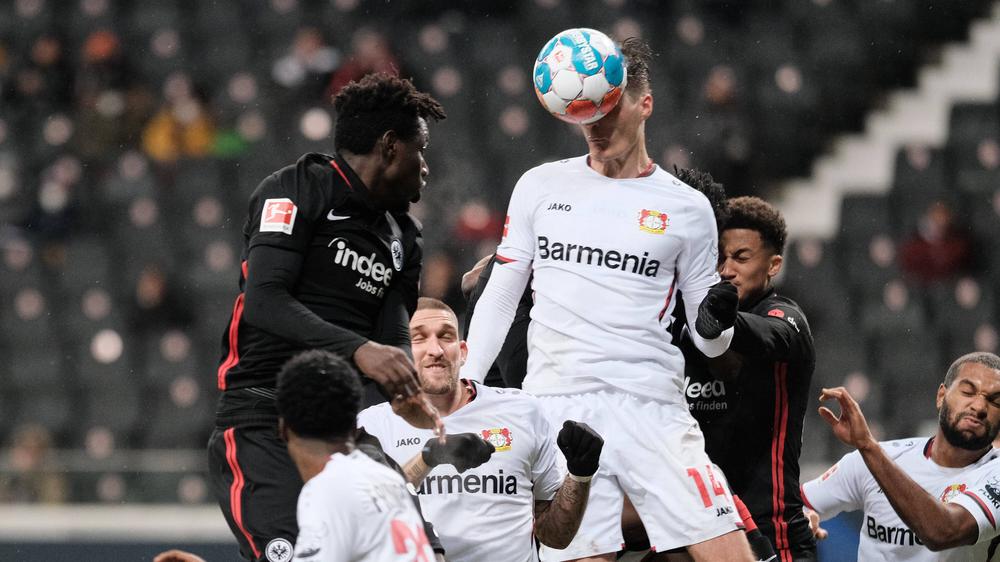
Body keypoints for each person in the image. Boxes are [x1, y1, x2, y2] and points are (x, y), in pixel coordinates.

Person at [463, 35, 752, 561]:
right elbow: (501, 293)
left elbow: (711, 346)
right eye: (584, 113)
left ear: (644, 104)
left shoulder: (687, 209)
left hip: (653, 408)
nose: (595, 125)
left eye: (608, 108)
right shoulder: (540, 187)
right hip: (558, 408)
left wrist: (714, 323)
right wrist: (469, 383)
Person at [207, 73, 446, 562]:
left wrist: (404, 385)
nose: (426, 168)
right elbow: (265, 301)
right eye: (421, 150)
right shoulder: (296, 189)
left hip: (346, 431)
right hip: (264, 420)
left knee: (425, 554)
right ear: (389, 146)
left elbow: (392, 332)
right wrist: (361, 352)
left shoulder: (406, 235)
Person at [359, 297, 605, 561]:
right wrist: (428, 459)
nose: (436, 350)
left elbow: (555, 536)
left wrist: (580, 475)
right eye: (419, 339)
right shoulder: (374, 425)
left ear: (463, 351)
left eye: (446, 337)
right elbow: (366, 517)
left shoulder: (522, 410)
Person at [679, 196, 816, 561]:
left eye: (741, 257)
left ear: (773, 265)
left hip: (773, 530)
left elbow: (771, 336)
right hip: (701, 527)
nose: (726, 270)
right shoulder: (685, 322)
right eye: (719, 257)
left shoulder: (787, 318)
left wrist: (721, 322)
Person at [802, 352, 1000, 560]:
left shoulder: (995, 474)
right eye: (968, 392)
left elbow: (942, 532)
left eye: (995, 401)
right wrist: (804, 517)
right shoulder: (883, 457)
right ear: (941, 396)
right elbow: (794, 506)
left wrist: (868, 446)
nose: (979, 407)